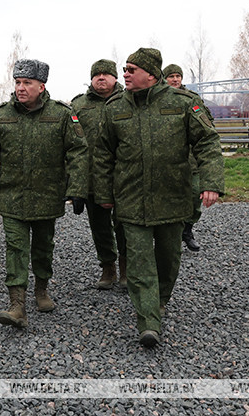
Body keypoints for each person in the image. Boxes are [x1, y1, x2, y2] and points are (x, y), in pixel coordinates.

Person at [94, 48, 224, 348]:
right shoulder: (114, 107)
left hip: (172, 196)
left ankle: (161, 298)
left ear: (151, 74)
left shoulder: (183, 104)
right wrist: (103, 193)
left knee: (168, 258)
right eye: (124, 69)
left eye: (130, 69)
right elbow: (102, 154)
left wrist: (211, 182)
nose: (124, 74)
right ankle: (148, 320)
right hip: (131, 198)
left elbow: (207, 142)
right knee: (139, 261)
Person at [0, 59, 87, 328]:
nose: (21, 88)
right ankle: (17, 305)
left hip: (48, 196)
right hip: (13, 197)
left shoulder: (61, 115)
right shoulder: (1, 116)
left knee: (43, 247)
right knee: (15, 248)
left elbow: (78, 152)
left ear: (41, 86)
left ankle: (41, 289)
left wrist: (78, 188)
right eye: (17, 82)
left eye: (27, 83)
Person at [71, 59, 127, 289]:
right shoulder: (78, 105)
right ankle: (108, 269)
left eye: (106, 74)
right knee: (99, 227)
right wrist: (74, 185)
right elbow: (71, 144)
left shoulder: (128, 101)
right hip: (92, 179)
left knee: (124, 226)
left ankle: (126, 270)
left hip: (124, 178)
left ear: (115, 78)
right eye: (97, 75)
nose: (101, 78)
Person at [162, 63, 212, 252]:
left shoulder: (192, 99)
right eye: (171, 76)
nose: (175, 79)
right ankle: (170, 237)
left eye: (178, 76)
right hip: (167, 160)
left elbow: (206, 127)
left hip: (191, 159)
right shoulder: (159, 100)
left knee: (195, 195)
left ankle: (187, 230)